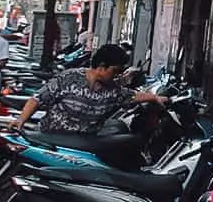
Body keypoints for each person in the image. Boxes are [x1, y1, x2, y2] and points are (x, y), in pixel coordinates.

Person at [9, 43, 168, 134]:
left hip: (82, 144)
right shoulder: (69, 78)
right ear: (101, 66)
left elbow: (133, 96)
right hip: (51, 137)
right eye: (115, 71)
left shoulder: (113, 89)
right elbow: (38, 98)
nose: (117, 75)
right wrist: (21, 120)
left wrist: (155, 97)